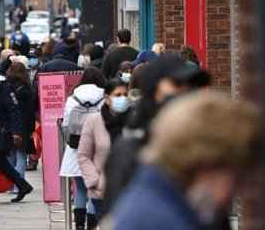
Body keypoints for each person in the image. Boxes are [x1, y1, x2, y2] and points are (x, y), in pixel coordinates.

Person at [110, 92, 261, 230]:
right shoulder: (166, 221)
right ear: (205, 162)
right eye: (236, 178)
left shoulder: (151, 204)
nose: (237, 191)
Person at [101, 54, 201, 214]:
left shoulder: (200, 145)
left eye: (189, 85)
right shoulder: (131, 147)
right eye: (177, 83)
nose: (184, 90)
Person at [77, 79, 131, 223]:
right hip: (102, 192)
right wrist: (95, 181)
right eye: (118, 95)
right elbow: (83, 155)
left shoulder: (134, 120)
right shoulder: (94, 121)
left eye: (126, 95)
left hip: (130, 190)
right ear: (107, 99)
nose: (123, 99)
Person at [59, 67, 106, 230]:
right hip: (97, 149)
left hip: (76, 149)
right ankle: (91, 226)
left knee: (79, 189)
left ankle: (78, 225)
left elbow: (66, 125)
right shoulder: (104, 96)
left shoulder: (73, 97)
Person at [3, 60, 37, 196]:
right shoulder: (27, 89)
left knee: (11, 156)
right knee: (21, 156)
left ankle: (12, 184)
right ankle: (19, 184)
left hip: (10, 125)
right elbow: (30, 112)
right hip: (24, 126)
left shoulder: (8, 87)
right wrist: (31, 128)